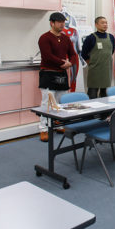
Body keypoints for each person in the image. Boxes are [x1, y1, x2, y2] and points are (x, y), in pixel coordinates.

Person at [38, 12, 78, 142]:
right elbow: (47, 56)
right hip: (48, 73)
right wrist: (63, 63)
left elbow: (73, 54)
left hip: (62, 74)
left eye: (63, 22)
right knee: (47, 103)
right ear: (52, 23)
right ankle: (43, 129)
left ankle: (58, 124)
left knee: (61, 101)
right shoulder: (44, 38)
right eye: (59, 22)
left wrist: (70, 63)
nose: (62, 24)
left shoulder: (66, 38)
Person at [81, 16, 115, 98]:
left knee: (104, 94)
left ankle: (104, 111)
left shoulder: (111, 37)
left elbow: (111, 51)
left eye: (106, 23)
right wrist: (91, 63)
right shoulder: (91, 38)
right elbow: (84, 53)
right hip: (94, 70)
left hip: (106, 70)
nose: (105, 24)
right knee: (92, 93)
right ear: (96, 25)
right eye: (102, 23)